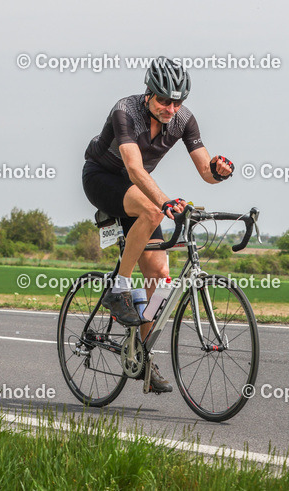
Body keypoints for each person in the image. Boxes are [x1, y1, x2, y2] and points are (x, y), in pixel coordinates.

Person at [82, 57, 234, 393]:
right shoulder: (126, 110)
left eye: (177, 101)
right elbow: (135, 169)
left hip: (139, 189)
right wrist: (164, 202)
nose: (171, 107)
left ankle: (142, 358)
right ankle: (118, 287)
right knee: (152, 212)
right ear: (149, 94)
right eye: (164, 100)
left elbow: (205, 171)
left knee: (160, 278)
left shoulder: (183, 119)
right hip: (103, 178)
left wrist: (219, 172)